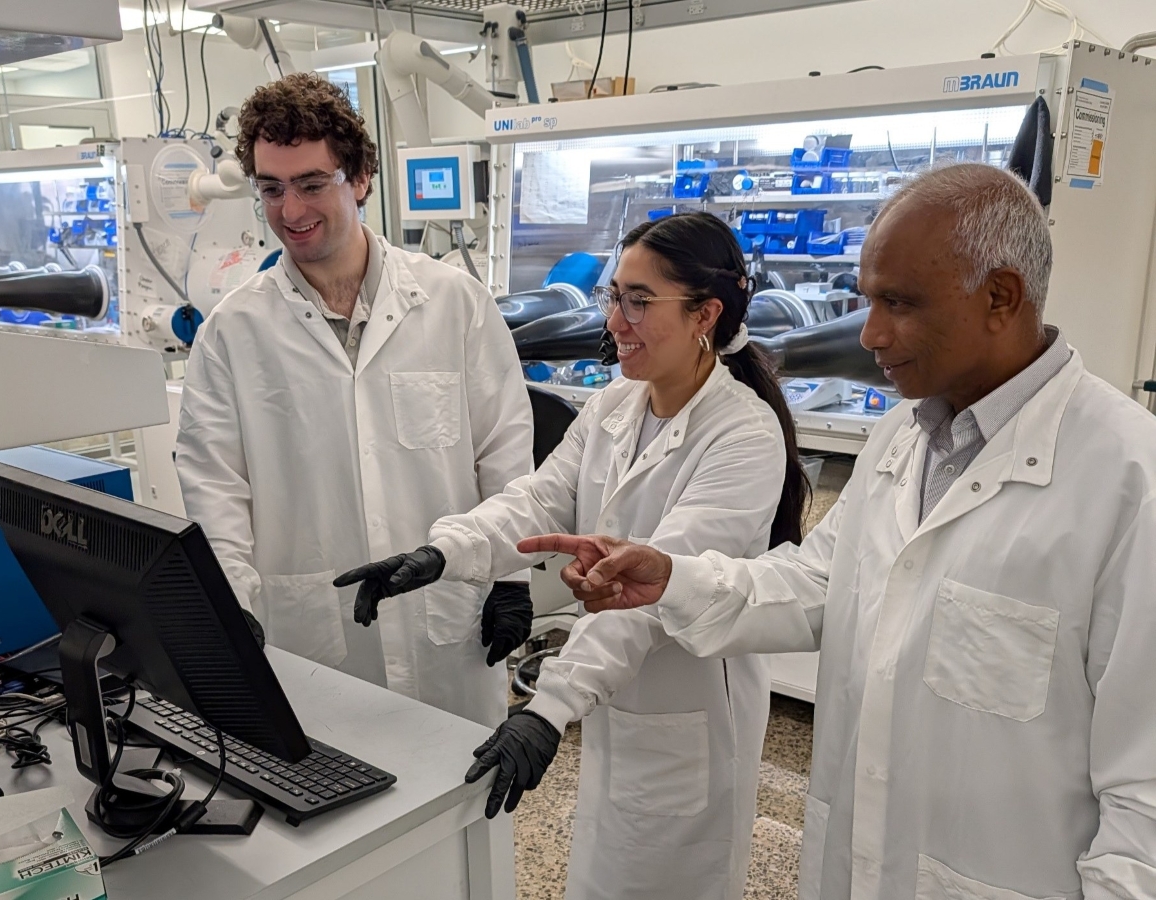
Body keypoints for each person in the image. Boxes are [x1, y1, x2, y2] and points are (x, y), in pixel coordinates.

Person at [523, 164, 1156, 900]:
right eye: (867, 299)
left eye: (899, 303)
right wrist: (675, 578)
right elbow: (817, 583)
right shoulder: (903, 439)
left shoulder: (1127, 482)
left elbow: (1145, 798)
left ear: (1001, 298)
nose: (872, 332)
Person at [336, 212, 812, 900]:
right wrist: (442, 552)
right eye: (614, 295)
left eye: (639, 301)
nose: (615, 320)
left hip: (689, 707)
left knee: (670, 884)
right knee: (605, 876)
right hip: (617, 705)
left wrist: (547, 706)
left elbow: (652, 600)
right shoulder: (618, 404)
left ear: (706, 313)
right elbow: (536, 500)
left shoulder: (743, 435)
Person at [175, 73, 534, 728]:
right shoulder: (233, 332)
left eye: (312, 184)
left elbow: (505, 460)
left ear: (360, 177)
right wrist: (236, 610)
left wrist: (509, 576)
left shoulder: (455, 305)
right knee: (346, 815)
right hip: (317, 641)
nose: (291, 210)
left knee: (465, 813)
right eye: (271, 189)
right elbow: (215, 489)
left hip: (447, 620)